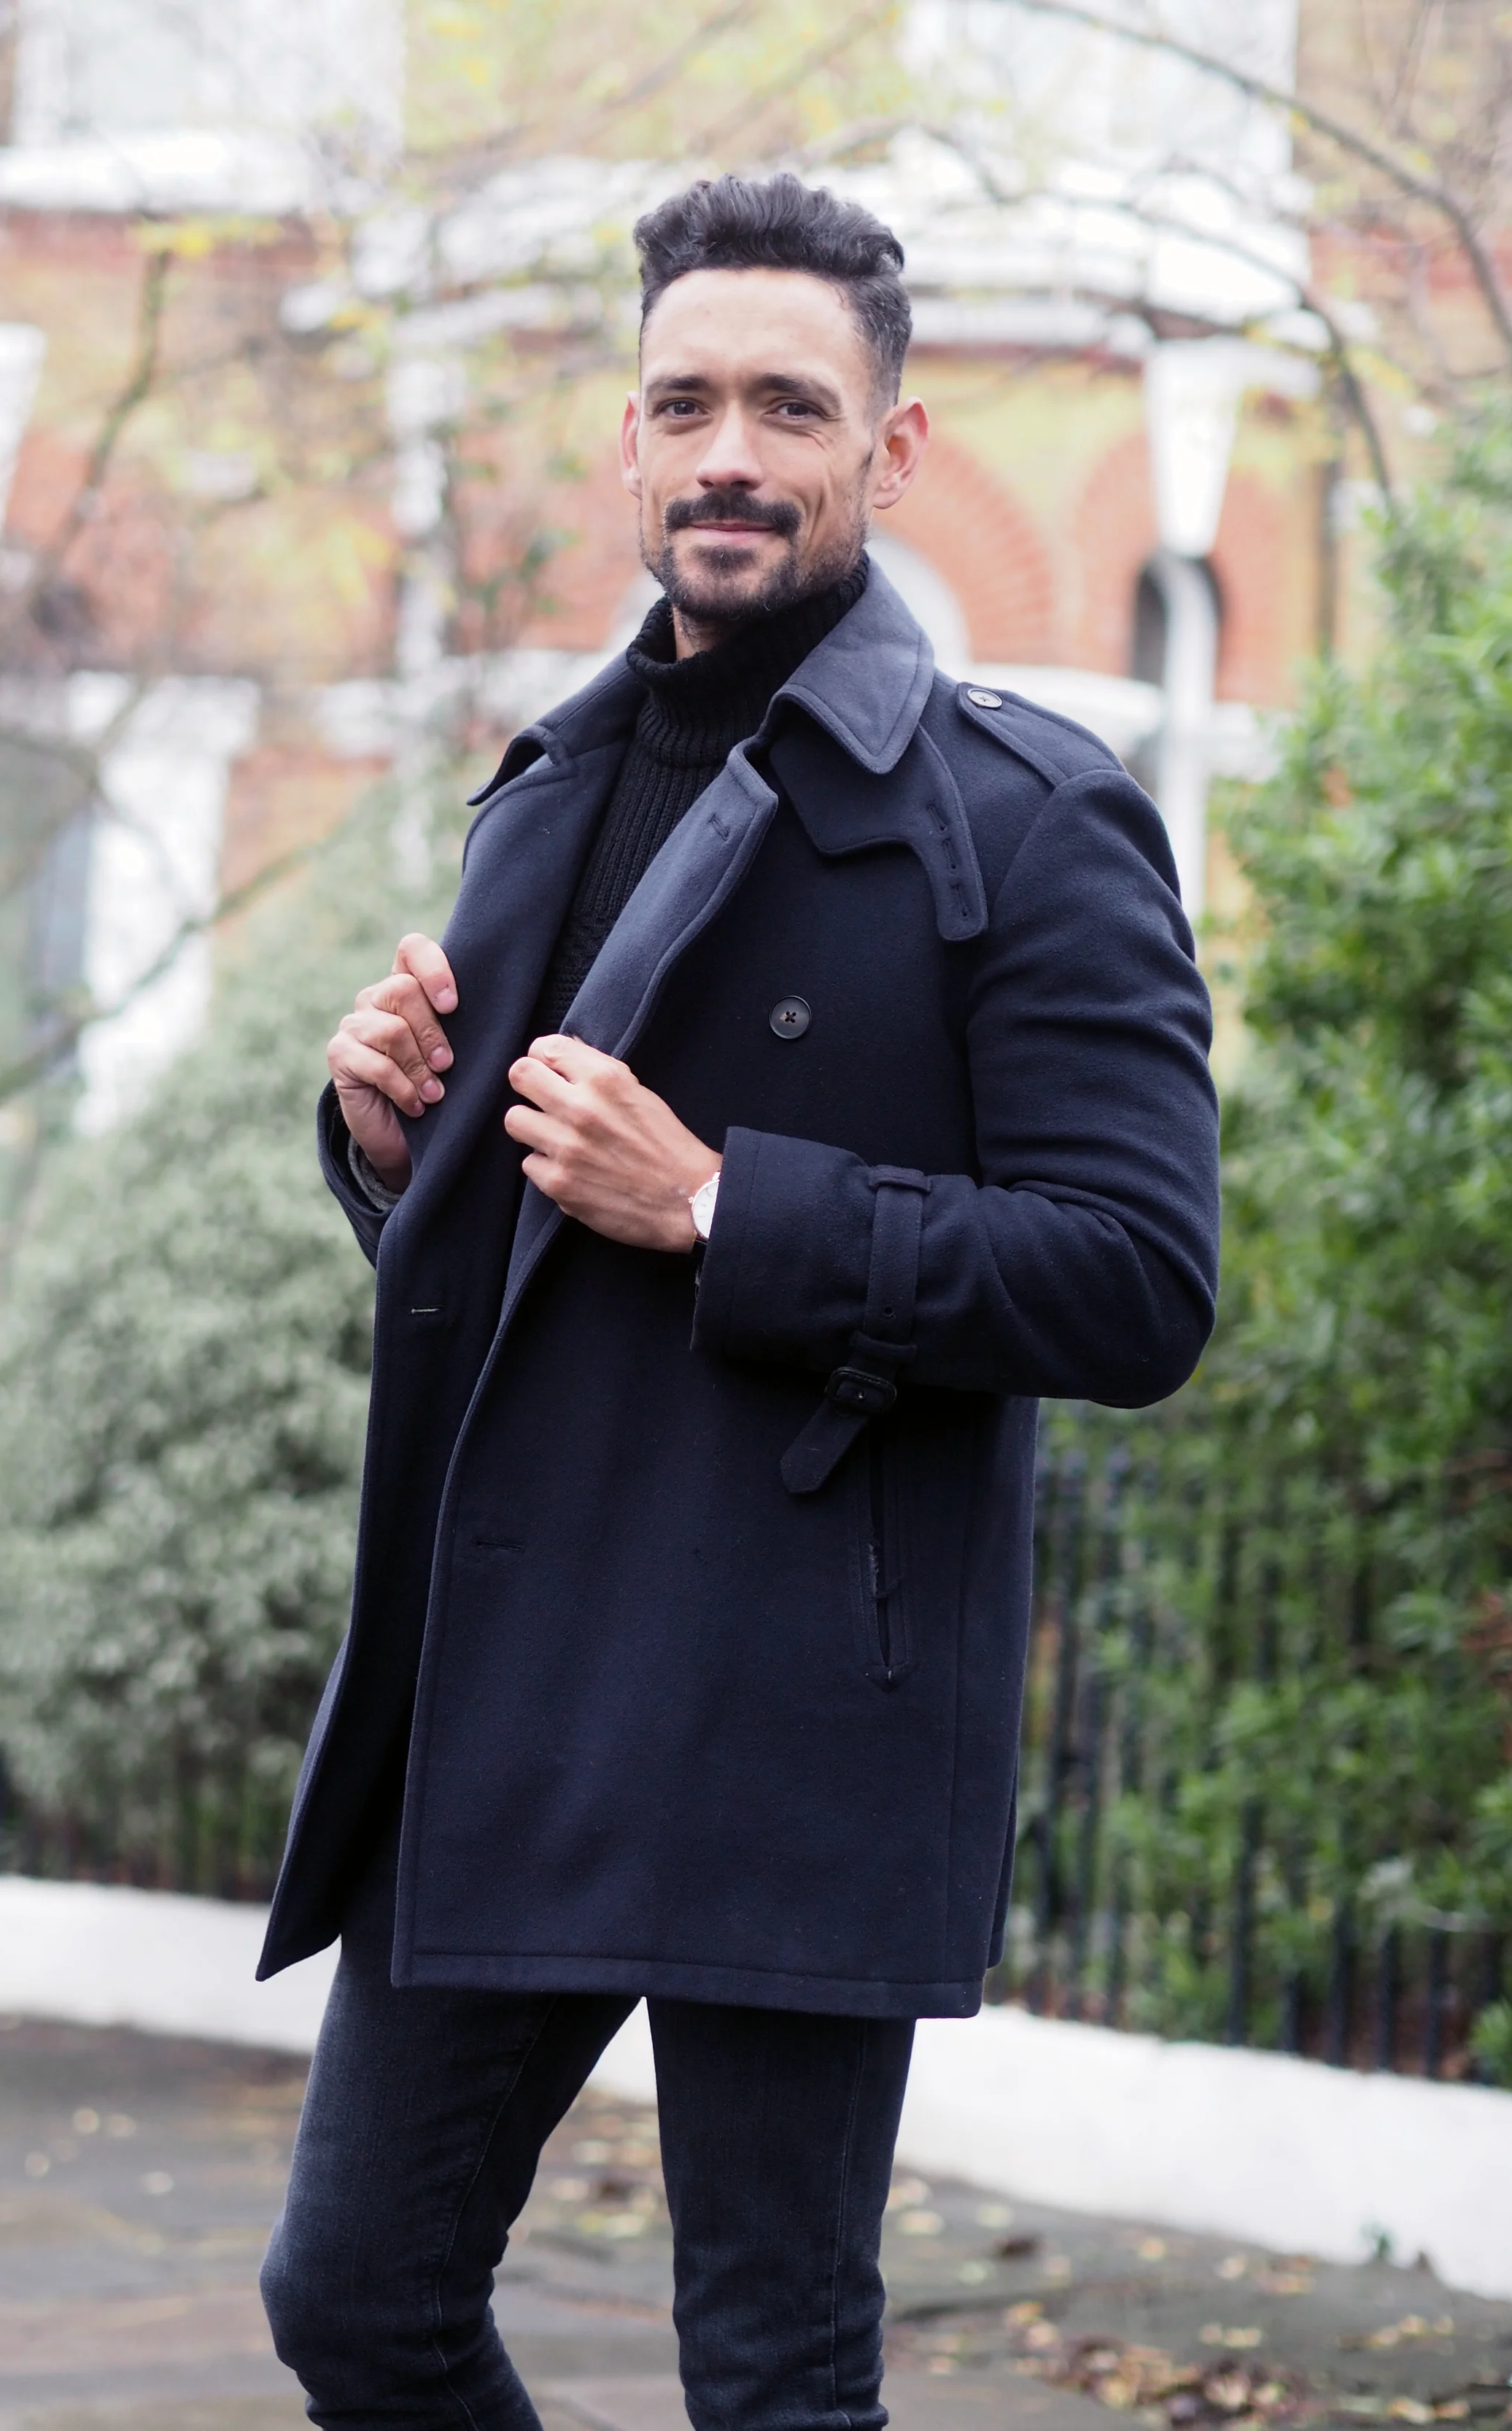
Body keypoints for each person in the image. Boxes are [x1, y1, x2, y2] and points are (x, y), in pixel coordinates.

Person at [258, 172, 1219, 2431]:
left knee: (774, 2372)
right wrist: (390, 1144)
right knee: (355, 2298)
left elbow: (1137, 1279)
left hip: (797, 1701)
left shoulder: (1029, 817)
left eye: (788, 406)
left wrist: (720, 1205)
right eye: (682, 402)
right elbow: (514, 1250)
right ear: (625, 439)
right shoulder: (546, 785)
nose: (726, 452)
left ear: (890, 447)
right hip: (512, 1682)